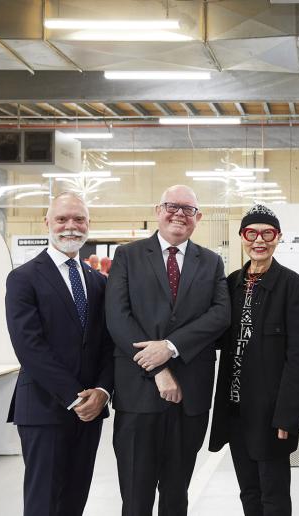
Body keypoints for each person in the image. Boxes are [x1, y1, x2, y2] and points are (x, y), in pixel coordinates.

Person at [105, 185, 230, 515]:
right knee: (136, 494)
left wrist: (171, 347)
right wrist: (158, 367)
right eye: (172, 206)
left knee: (177, 494)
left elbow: (220, 315)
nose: (179, 214)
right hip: (138, 396)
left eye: (188, 209)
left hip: (190, 398)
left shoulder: (212, 262)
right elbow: (118, 318)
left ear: (198, 218)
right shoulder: (127, 256)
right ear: (157, 211)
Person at [5, 192, 114, 516]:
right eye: (62, 219)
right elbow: (29, 347)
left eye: (78, 219)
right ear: (47, 223)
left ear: (88, 225)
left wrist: (102, 392)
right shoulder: (24, 278)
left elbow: (109, 345)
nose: (71, 226)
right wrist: (75, 396)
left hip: (91, 411)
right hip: (44, 408)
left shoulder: (97, 281)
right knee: (43, 503)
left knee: (74, 500)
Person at [209, 204, 299, 516]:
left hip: (270, 414)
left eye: (267, 233)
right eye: (251, 233)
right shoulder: (231, 284)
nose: (259, 240)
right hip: (235, 409)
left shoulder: (293, 288)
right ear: (242, 237)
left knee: (274, 494)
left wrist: (287, 416)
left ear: (278, 237)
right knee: (249, 492)